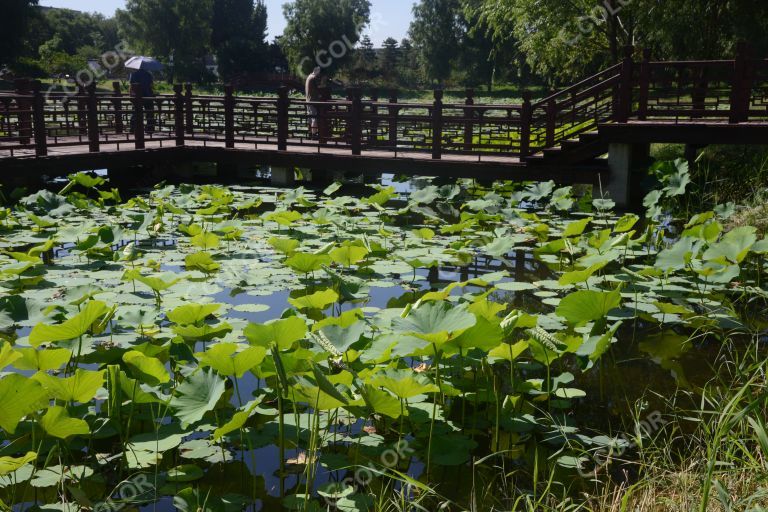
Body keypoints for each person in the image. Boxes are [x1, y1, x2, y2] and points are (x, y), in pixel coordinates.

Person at [129, 68, 156, 133]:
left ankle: (133, 128)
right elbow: (151, 85)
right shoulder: (148, 74)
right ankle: (150, 128)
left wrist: (131, 94)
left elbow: (131, 85)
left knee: (135, 112)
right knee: (149, 112)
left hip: (137, 96)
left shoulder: (133, 74)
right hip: (147, 95)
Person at [305, 67, 322, 138]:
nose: (319, 73)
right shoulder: (314, 77)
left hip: (308, 100)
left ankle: (309, 133)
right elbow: (319, 87)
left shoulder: (308, 77)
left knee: (310, 118)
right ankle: (314, 135)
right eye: (319, 72)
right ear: (317, 71)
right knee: (314, 117)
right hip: (313, 100)